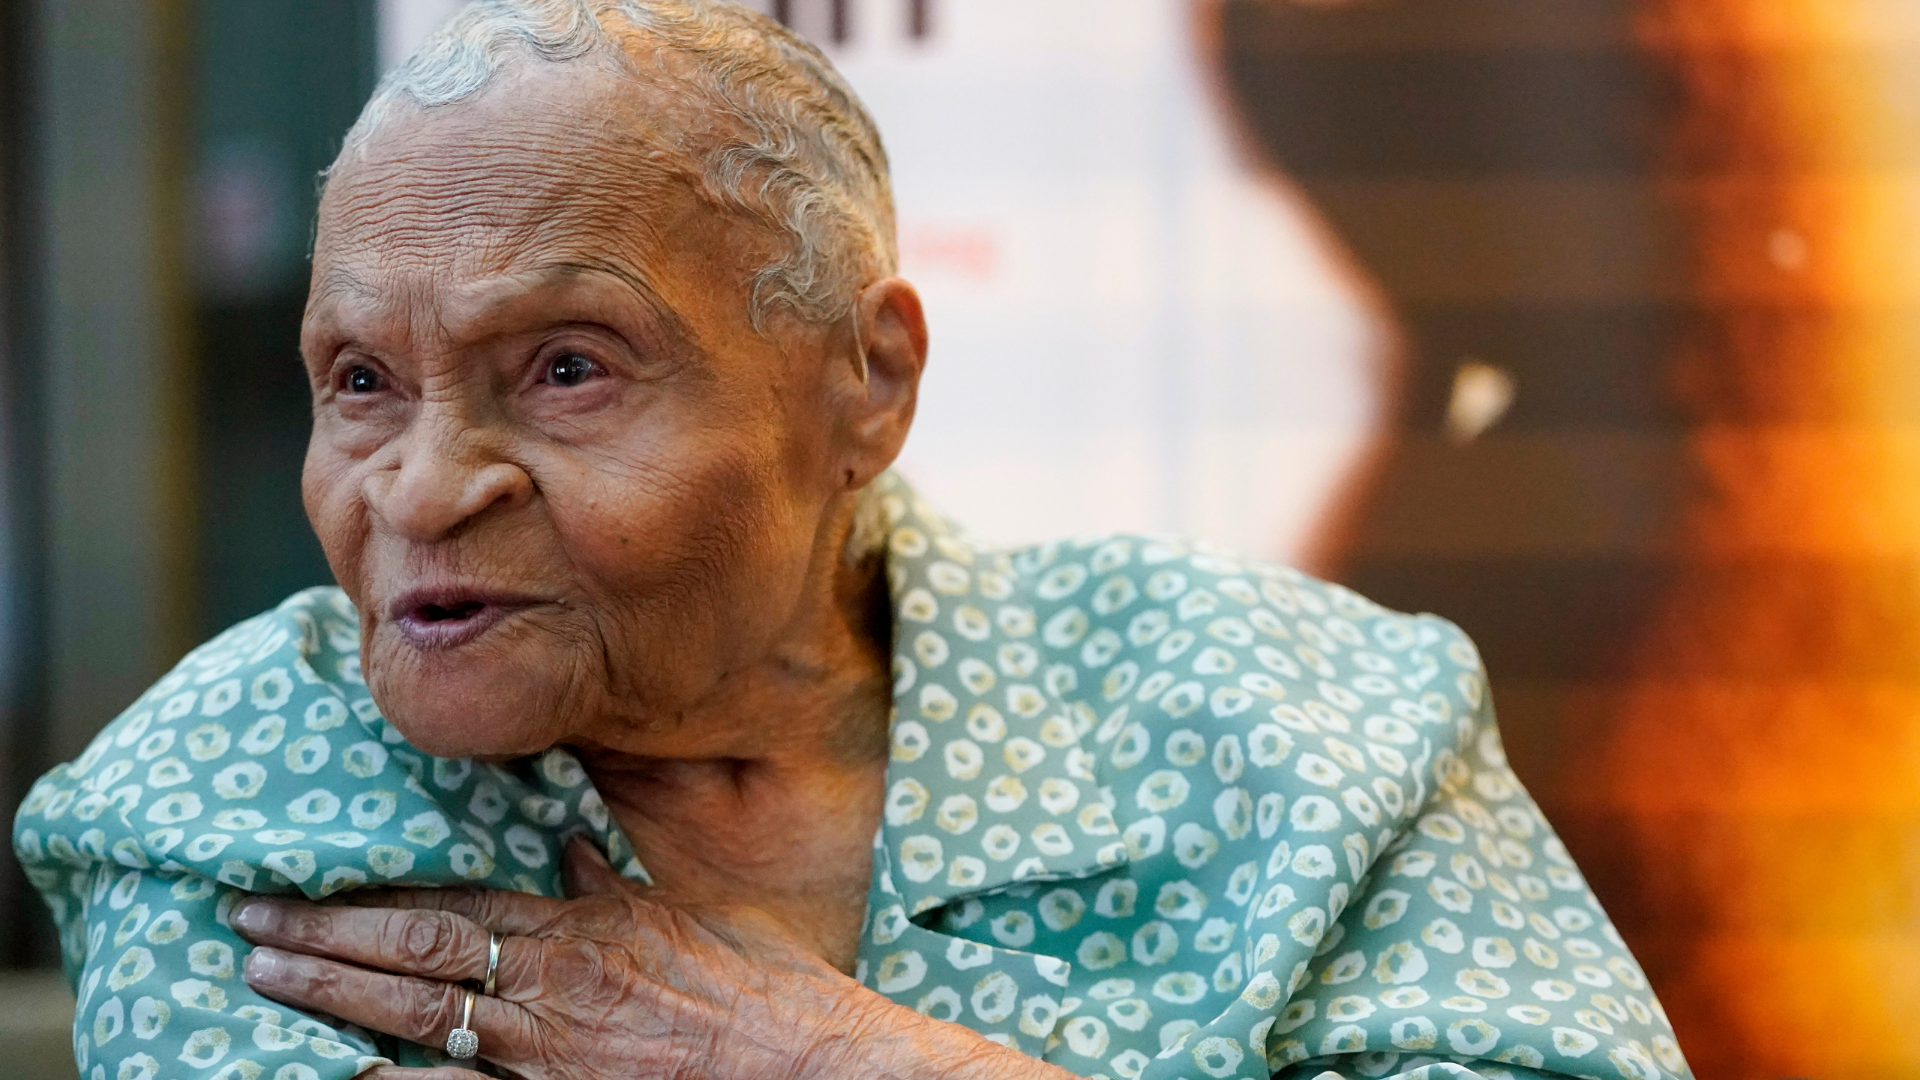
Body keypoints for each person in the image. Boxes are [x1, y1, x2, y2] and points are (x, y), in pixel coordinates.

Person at [12, 2, 1690, 1078]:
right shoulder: (232, 810)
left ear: (866, 385)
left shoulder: (1309, 724)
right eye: (360, 379)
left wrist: (825, 1059)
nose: (423, 488)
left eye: (569, 368)